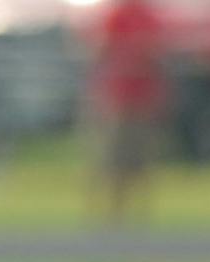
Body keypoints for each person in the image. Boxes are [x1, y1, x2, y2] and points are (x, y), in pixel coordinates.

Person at [88, 0, 168, 225]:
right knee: (112, 159)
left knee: (141, 160)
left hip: (143, 98)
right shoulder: (115, 15)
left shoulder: (148, 15)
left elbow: (157, 51)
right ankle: (112, 215)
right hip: (117, 98)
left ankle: (139, 216)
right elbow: (100, 49)